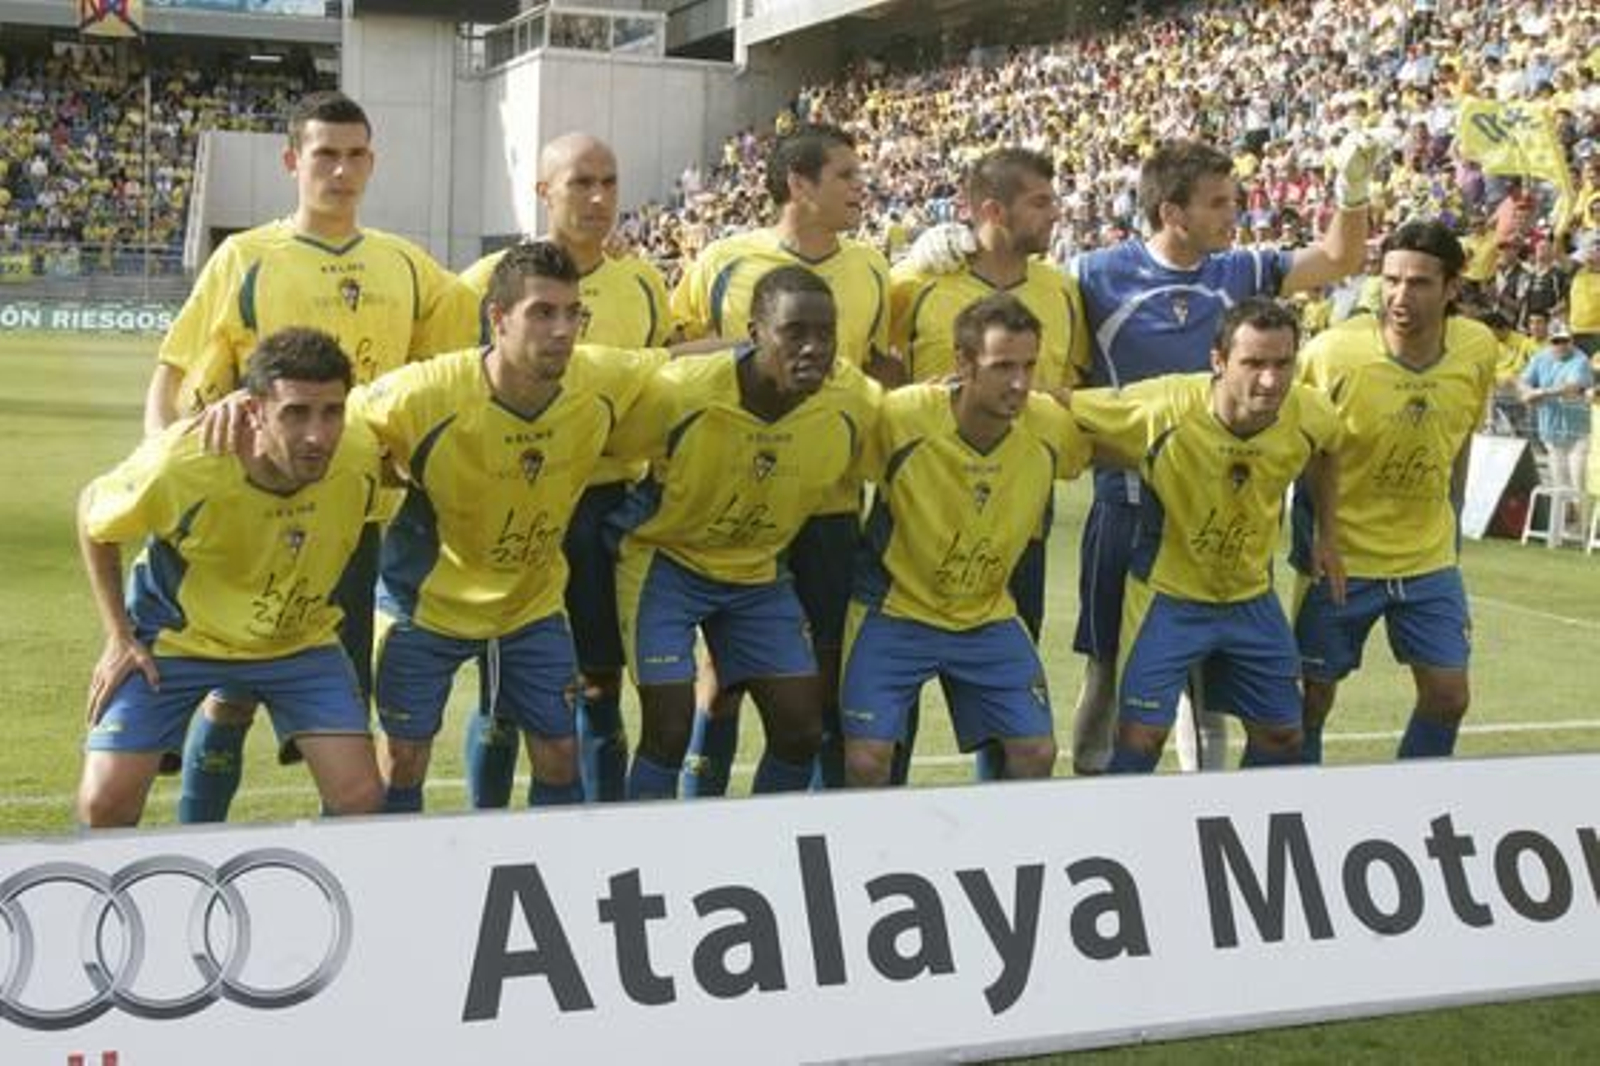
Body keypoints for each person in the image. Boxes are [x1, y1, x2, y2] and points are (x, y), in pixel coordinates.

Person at [906, 135, 1373, 775]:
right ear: (1173, 214)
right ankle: (1102, 799)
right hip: (1126, 504)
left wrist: (1353, 191)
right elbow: (1007, 304)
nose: (1234, 215)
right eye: (1218, 203)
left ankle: (1197, 820)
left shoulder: (1242, 270)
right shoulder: (1094, 275)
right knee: (1108, 670)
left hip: (1220, 508)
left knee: (1213, 684)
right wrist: (931, 256)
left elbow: (1340, 258)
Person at [145, 90, 477, 823]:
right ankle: (203, 844)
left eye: (356, 154)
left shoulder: (410, 268)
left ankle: (350, 875)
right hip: (247, 513)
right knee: (230, 693)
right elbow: (170, 380)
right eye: (325, 154)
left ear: (372, 162)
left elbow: (444, 382)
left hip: (351, 521)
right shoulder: (245, 258)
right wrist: (163, 473)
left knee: (340, 717)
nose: (341, 170)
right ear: (294, 161)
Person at [357, 240, 668, 813]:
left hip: (530, 604)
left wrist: (762, 345)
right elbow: (332, 423)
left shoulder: (597, 376)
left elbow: (686, 364)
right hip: (425, 604)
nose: (562, 330)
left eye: (573, 313)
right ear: (497, 319)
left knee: (557, 750)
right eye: (542, 313)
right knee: (403, 758)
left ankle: (556, 875)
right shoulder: (426, 392)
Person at [77, 329, 386, 827]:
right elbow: (94, 510)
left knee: (361, 798)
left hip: (298, 642)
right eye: (295, 413)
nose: (317, 434)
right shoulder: (184, 464)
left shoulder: (361, 454)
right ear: (254, 411)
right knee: (104, 803)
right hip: (177, 641)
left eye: (332, 412)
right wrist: (118, 635)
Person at [669, 124, 894, 796]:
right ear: (800, 184)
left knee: (822, 673)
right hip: (734, 503)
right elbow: (683, 363)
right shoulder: (724, 262)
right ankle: (698, 816)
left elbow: (875, 371)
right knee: (723, 676)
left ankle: (809, 829)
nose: (862, 188)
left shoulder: (873, 269)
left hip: (826, 504)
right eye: (847, 176)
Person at [455, 133, 673, 808]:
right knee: (503, 691)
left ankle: (597, 834)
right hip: (511, 503)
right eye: (580, 182)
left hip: (604, 506)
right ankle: (481, 833)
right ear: (543, 191)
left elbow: (663, 382)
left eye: (609, 180)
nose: (599, 197)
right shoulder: (483, 281)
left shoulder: (643, 282)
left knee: (601, 684)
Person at [606, 265, 880, 800]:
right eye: (794, 332)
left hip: (756, 570)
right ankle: (643, 858)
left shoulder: (852, 403)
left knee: (802, 728)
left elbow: (910, 423)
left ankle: (763, 854)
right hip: (667, 562)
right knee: (667, 726)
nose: (813, 348)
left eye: (825, 334)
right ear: (755, 334)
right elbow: (601, 438)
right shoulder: (680, 394)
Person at [1068, 297, 1344, 772]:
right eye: (1253, 363)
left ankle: (1250, 828)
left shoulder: (1309, 412)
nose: (1270, 379)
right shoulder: (1166, 404)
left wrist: (1327, 533)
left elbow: (1328, 448)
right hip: (1167, 598)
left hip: (1250, 597)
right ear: (1218, 361)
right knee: (1141, 737)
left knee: (1283, 734)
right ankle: (1122, 837)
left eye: (1283, 364)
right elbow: (1065, 406)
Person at [888, 146, 1090, 781]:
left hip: (1013, 522)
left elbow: (1074, 387)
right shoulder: (918, 284)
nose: (1055, 213)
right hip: (912, 525)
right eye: (1041, 202)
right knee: (886, 712)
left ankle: (997, 843)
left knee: (1005, 710)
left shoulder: (1061, 290)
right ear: (992, 210)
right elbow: (877, 370)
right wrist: (903, 261)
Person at [842, 293, 1090, 786]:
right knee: (867, 761)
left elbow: (1124, 434)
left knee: (1036, 752)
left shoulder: (1050, 427)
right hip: (895, 611)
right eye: (1002, 367)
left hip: (987, 614)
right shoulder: (901, 417)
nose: (1019, 382)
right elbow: (834, 446)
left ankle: (1010, 858)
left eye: (1029, 365)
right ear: (963, 363)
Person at [1291, 220, 1499, 764]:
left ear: (1453, 287)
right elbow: (1303, 452)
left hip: (1427, 558)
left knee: (1449, 695)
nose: (1400, 296)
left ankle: (1413, 806)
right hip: (1343, 557)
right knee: (1309, 701)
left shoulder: (1477, 348)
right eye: (1391, 280)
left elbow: (1461, 442)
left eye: (1419, 283)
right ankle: (1297, 808)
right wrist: (1320, 536)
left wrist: (1451, 528)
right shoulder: (1333, 353)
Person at [1519, 319, 1593, 542]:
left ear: (1571, 341)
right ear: (1550, 341)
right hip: (1550, 431)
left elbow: (1571, 387)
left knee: (1578, 481)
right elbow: (1522, 380)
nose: (1561, 345)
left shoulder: (1580, 360)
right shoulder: (1540, 357)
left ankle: (1583, 532)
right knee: (1559, 483)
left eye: (1564, 341)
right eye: (1556, 341)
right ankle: (1560, 532)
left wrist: (1540, 393)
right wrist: (1526, 391)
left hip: (1578, 432)